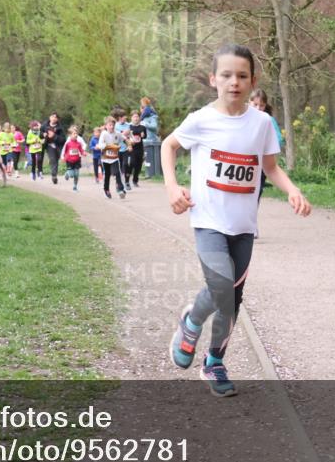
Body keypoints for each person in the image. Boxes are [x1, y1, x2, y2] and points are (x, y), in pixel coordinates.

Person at [162, 43, 311, 397]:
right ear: (213, 79)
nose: (234, 82)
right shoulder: (200, 120)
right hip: (208, 221)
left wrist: (292, 190)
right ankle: (191, 322)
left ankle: (214, 362)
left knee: (233, 296)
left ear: (252, 80)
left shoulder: (261, 124)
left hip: (244, 226)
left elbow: (270, 167)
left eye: (242, 76)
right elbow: (168, 146)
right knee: (220, 286)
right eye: (226, 75)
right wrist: (171, 187)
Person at [97, 116, 127, 199]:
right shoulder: (104, 134)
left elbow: (124, 139)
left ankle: (121, 190)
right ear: (106, 126)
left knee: (117, 173)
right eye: (110, 125)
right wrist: (108, 146)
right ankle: (106, 189)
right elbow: (100, 144)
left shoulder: (117, 133)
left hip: (114, 158)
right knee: (107, 175)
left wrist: (129, 143)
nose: (112, 127)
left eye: (113, 125)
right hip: (105, 158)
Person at [61, 125, 88, 192]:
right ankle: (67, 173)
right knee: (71, 175)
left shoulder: (79, 143)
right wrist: (63, 157)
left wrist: (83, 153)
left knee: (76, 174)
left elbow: (81, 150)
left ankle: (75, 187)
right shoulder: (68, 143)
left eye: (76, 134)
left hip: (77, 160)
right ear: (70, 135)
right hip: (69, 161)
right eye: (74, 134)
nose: (76, 135)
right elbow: (64, 150)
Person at [42, 113, 65, 184]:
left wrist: (54, 136)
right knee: (53, 160)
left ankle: (68, 172)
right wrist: (42, 135)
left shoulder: (60, 128)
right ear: (50, 117)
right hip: (49, 146)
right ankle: (54, 176)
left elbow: (63, 140)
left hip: (59, 146)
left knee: (59, 159)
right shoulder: (44, 126)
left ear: (57, 119)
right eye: (52, 116)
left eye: (55, 117)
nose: (54, 118)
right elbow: (39, 134)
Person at [113, 109, 133, 190]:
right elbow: (116, 136)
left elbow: (131, 136)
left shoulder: (128, 125)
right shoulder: (115, 126)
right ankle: (118, 182)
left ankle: (127, 182)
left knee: (126, 164)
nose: (126, 118)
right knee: (118, 167)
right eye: (124, 116)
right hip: (117, 149)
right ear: (120, 118)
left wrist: (131, 143)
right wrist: (124, 133)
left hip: (126, 149)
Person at [127, 112, 148, 186]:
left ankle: (135, 180)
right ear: (131, 118)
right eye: (134, 117)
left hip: (140, 148)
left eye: (137, 117)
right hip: (131, 148)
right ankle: (127, 180)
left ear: (139, 118)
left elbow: (145, 137)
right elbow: (125, 137)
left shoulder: (142, 127)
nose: (136, 118)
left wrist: (143, 135)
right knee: (132, 163)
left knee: (138, 165)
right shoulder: (129, 127)